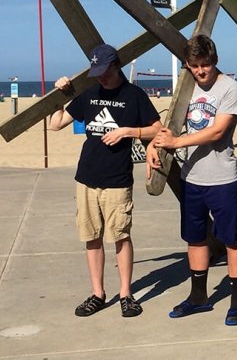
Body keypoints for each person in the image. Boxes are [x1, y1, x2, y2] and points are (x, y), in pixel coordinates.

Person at [49, 44, 162, 318]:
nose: (100, 77)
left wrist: (127, 132)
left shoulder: (134, 95)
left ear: (116, 66)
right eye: (96, 72)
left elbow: (157, 128)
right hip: (86, 177)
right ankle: (97, 293)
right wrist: (57, 95)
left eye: (104, 71)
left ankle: (126, 294)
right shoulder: (89, 95)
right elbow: (56, 123)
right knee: (92, 237)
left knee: (121, 236)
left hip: (117, 179)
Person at [146, 34, 237, 325]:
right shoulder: (185, 89)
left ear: (214, 62)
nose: (201, 71)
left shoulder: (230, 88)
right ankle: (199, 297)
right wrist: (153, 148)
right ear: (187, 65)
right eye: (194, 65)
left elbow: (218, 131)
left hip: (222, 178)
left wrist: (176, 143)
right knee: (195, 238)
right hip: (192, 177)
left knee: (230, 238)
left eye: (205, 65)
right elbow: (167, 126)